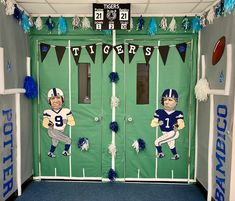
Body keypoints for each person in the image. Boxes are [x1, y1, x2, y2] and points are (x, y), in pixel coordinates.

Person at [151, 89, 185, 160]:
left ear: (176, 102)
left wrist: (177, 126)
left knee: (157, 142)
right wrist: (158, 123)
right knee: (171, 145)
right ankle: (176, 155)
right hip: (165, 132)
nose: (167, 102)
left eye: (170, 100)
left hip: (173, 132)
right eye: (165, 99)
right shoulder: (159, 112)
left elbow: (181, 124)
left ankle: (160, 153)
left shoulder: (178, 113)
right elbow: (152, 124)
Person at [42, 88, 75, 158]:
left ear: (62, 99)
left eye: (58, 97)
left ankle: (51, 153)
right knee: (68, 140)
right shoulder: (48, 112)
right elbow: (45, 123)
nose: (56, 100)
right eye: (53, 98)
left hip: (59, 131)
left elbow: (72, 123)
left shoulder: (66, 111)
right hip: (52, 130)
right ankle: (65, 151)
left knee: (55, 142)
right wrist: (48, 124)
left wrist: (67, 121)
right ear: (49, 101)